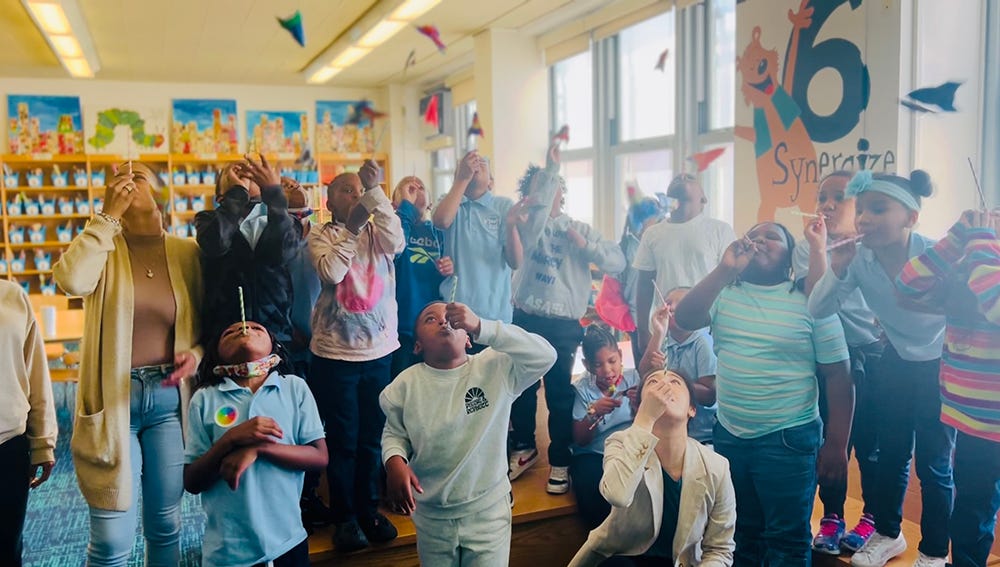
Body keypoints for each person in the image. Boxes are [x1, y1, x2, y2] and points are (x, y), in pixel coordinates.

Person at [674, 222, 853, 567]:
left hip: (788, 441)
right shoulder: (725, 294)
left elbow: (839, 375)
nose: (760, 240)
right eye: (754, 235)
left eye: (772, 236)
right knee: (742, 535)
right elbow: (684, 317)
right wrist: (725, 269)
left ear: (790, 257)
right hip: (731, 437)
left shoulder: (812, 301)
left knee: (786, 542)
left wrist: (836, 445)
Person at [53, 160, 203, 566]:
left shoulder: (187, 252)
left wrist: (196, 356)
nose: (127, 182)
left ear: (161, 193)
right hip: (112, 405)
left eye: (138, 176)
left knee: (166, 526)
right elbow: (70, 280)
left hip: (169, 405)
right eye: (119, 178)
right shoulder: (103, 247)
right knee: (110, 541)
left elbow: (205, 327)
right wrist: (106, 218)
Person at [807, 171, 952, 567]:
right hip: (895, 361)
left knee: (935, 465)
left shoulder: (936, 254)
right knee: (890, 455)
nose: (864, 219)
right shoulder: (858, 259)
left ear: (911, 218)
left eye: (878, 209)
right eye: (862, 210)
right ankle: (889, 533)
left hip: (940, 365)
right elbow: (817, 309)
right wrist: (837, 267)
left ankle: (934, 551)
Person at [380, 301, 556, 567]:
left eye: (451, 317)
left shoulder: (495, 368)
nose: (443, 321)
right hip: (433, 517)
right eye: (430, 319)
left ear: (469, 339)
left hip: (488, 512)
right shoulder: (404, 386)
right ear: (417, 346)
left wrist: (483, 326)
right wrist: (394, 461)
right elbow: (394, 433)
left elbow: (545, 355)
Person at [508, 143, 627, 492]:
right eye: (541, 186)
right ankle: (524, 446)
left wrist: (586, 247)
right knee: (521, 389)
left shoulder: (578, 228)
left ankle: (560, 458)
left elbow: (617, 261)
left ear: (562, 190)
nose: (549, 192)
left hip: (563, 324)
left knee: (559, 394)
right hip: (526, 316)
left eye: (554, 184)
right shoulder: (526, 225)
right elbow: (521, 245)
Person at [308, 160, 405, 552]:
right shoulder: (321, 234)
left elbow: (398, 242)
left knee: (371, 437)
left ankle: (369, 510)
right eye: (346, 190)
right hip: (335, 355)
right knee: (343, 439)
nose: (355, 195)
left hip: (379, 351)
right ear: (330, 202)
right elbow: (332, 273)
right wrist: (351, 229)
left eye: (359, 190)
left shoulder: (377, 232)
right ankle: (345, 517)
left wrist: (376, 192)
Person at [896, 209, 1000, 567]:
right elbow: (907, 284)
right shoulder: (972, 268)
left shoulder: (986, 260)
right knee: (972, 513)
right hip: (974, 423)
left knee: (976, 509)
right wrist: (957, 238)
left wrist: (983, 241)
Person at [184, 320, 327, 567]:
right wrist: (230, 439)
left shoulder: (294, 388)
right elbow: (192, 482)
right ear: (216, 353)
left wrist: (259, 448)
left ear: (274, 345)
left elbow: (319, 456)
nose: (244, 329)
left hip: (288, 541)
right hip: (227, 553)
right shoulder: (204, 398)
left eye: (257, 328)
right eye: (229, 332)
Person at [796, 171, 884, 555]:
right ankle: (832, 515)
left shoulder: (875, 248)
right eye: (822, 197)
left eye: (839, 198)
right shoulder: (808, 247)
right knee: (833, 442)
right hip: (829, 361)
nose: (828, 205)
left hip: (872, 355)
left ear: (858, 207)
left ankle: (874, 516)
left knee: (871, 443)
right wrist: (819, 249)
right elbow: (815, 302)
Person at [568, 370, 736, 567]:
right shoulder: (620, 443)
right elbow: (617, 495)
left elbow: (720, 549)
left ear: (692, 409)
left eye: (675, 382)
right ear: (641, 407)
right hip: (629, 559)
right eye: (653, 382)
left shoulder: (717, 466)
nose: (664, 387)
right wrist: (645, 418)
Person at [195, 155, 301, 347]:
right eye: (236, 172)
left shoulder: (282, 220)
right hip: (225, 334)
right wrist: (237, 194)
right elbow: (215, 244)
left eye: (251, 172)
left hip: (275, 332)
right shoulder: (208, 220)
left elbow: (284, 252)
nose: (245, 174)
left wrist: (274, 194)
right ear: (220, 196)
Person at [632, 174, 736, 352]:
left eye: (689, 177)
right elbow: (644, 285)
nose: (682, 176)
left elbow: (732, 283)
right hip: (666, 332)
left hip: (709, 332)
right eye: (678, 177)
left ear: (703, 199)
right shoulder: (652, 234)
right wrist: (642, 331)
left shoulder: (720, 230)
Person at [0, 280, 57, 566]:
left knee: (7, 548)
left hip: (8, 446)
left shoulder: (12, 296)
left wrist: (43, 441)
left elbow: (36, 373)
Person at [432, 152, 520, 327]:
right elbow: (441, 221)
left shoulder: (503, 206)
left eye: (482, 163)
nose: (476, 164)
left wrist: (511, 227)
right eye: (467, 165)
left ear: (490, 182)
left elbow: (515, 262)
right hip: (455, 312)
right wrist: (462, 179)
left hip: (495, 315)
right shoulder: (449, 202)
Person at [570, 325, 641, 529]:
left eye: (612, 361)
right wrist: (594, 413)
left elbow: (650, 424)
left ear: (620, 355)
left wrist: (640, 406)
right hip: (595, 453)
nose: (608, 370)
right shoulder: (582, 389)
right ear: (587, 365)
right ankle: (601, 538)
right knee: (590, 487)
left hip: (630, 449)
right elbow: (580, 440)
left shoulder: (634, 379)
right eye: (598, 364)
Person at [637, 287, 717, 445]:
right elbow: (643, 373)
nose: (671, 307)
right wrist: (659, 333)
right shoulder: (664, 338)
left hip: (700, 433)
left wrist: (669, 376)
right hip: (668, 429)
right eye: (668, 303)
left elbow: (709, 396)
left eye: (680, 305)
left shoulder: (703, 342)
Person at [391, 175, 453, 376]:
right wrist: (405, 210)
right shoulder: (392, 230)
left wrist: (447, 270)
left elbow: (447, 278)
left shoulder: (438, 232)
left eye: (421, 188)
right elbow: (394, 250)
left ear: (430, 202)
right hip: (401, 327)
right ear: (395, 204)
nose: (415, 190)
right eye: (408, 189)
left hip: (433, 326)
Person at [618, 190, 666, 363]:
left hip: (662, 314)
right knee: (644, 365)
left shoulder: (664, 242)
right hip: (637, 317)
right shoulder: (626, 246)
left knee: (662, 364)